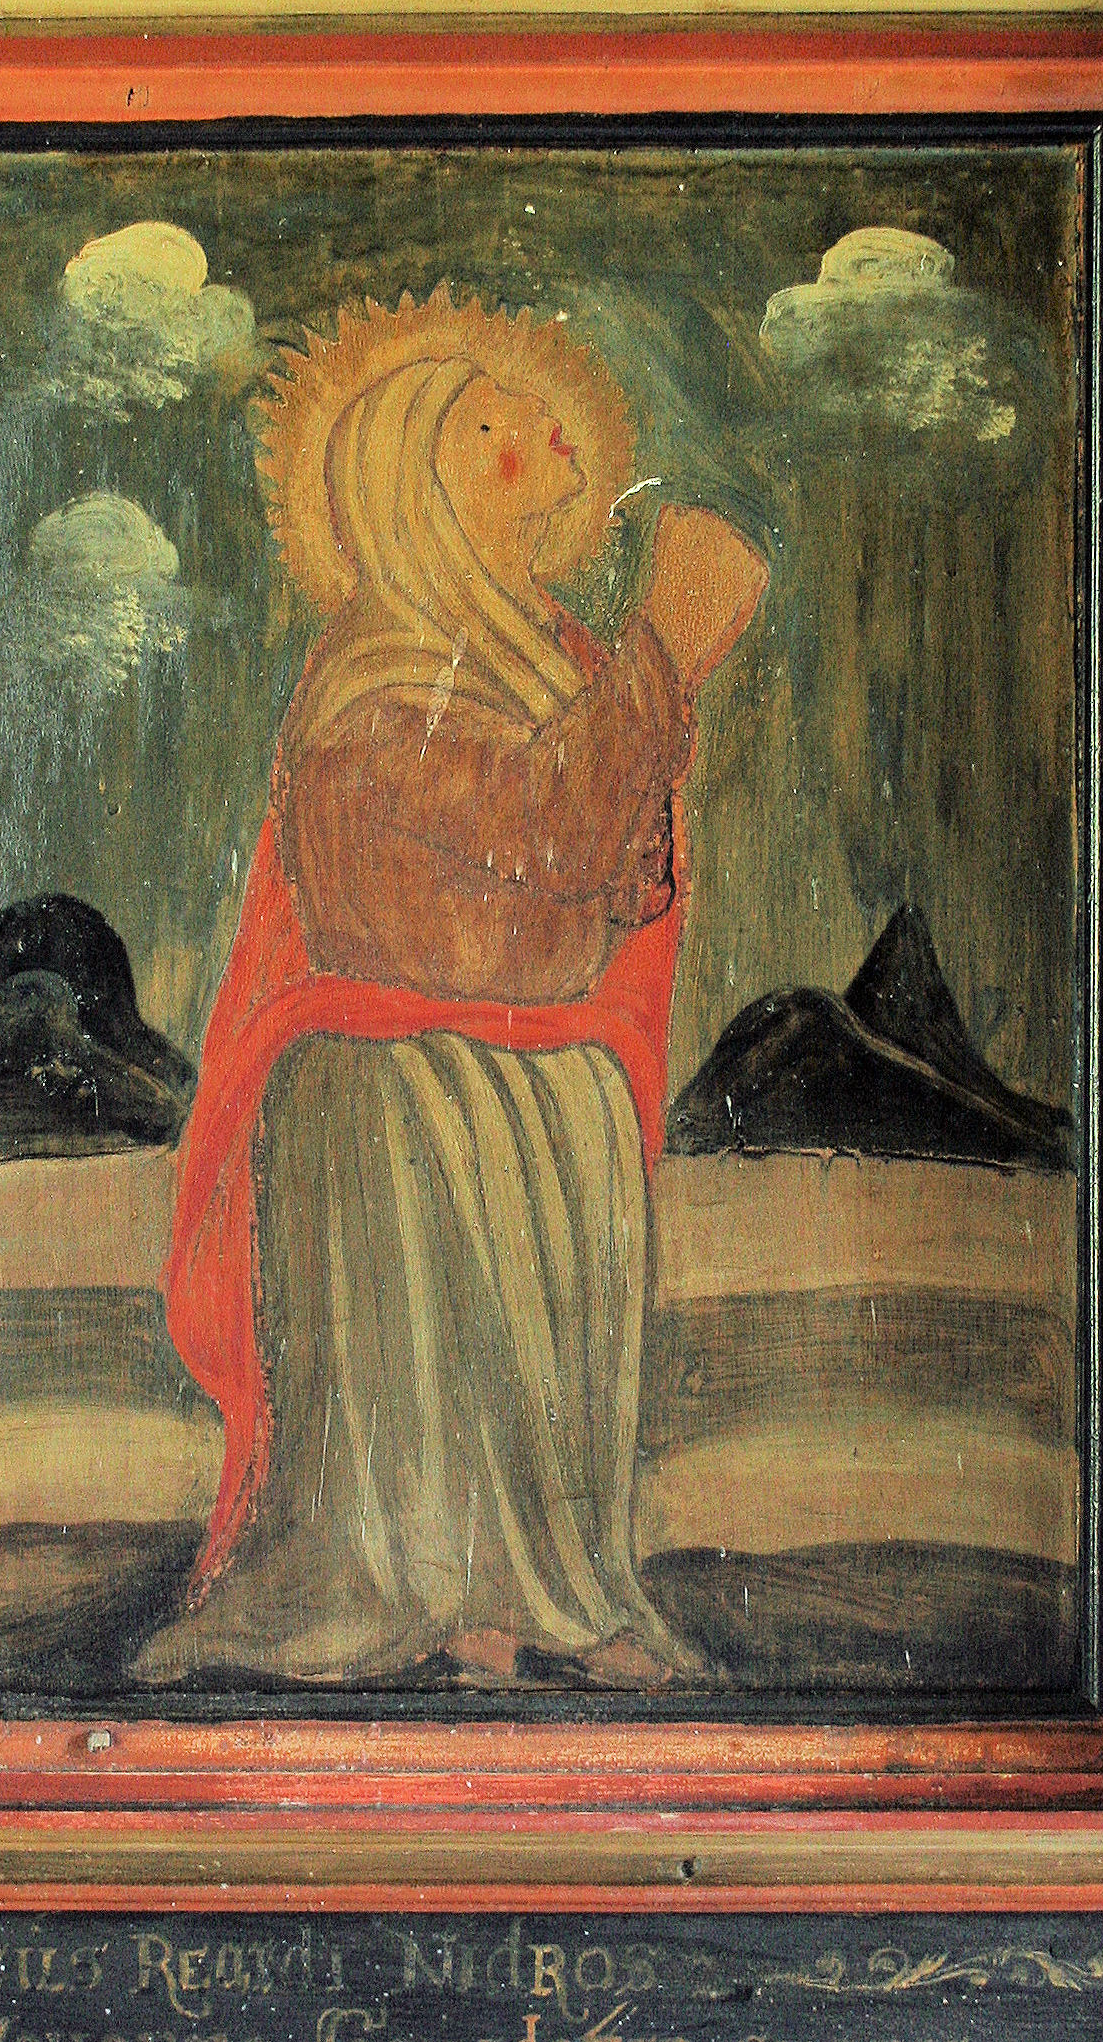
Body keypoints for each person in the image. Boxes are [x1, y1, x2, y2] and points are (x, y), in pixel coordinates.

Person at [141, 289, 765, 1687]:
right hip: (399, 1086)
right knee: (424, 1376)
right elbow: (547, 825)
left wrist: (637, 705)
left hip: (546, 1079)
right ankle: (406, 1593)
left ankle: (538, 1598)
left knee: (534, 1374)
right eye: (489, 427)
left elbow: (619, 877)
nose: (541, 427)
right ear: (412, 492)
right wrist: (668, 643)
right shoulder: (377, 679)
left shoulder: (555, 661)